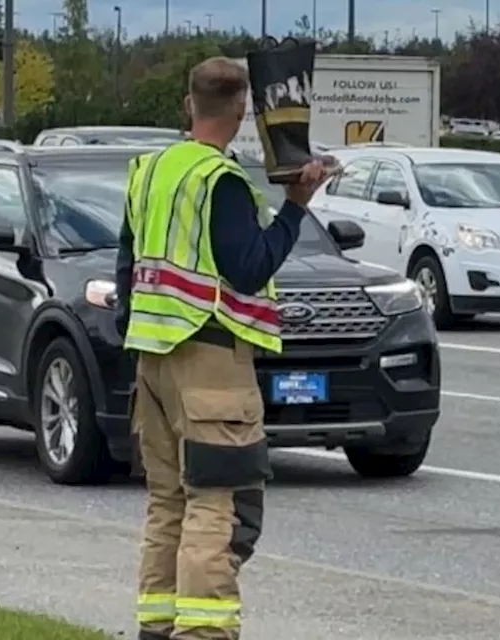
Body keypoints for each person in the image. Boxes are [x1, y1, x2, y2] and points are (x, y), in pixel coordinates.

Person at [113, 57, 329, 640]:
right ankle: (205, 633)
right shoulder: (220, 181)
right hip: (210, 362)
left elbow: (126, 269)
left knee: (167, 506)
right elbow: (250, 268)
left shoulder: (150, 170)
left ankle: (157, 628)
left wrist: (135, 337)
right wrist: (296, 209)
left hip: (153, 361)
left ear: (189, 104)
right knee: (218, 507)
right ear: (241, 112)